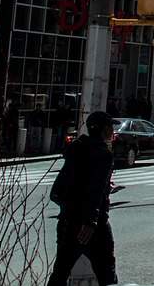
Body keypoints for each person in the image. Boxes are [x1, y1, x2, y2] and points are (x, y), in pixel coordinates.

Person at [47, 111, 117, 286]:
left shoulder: (75, 149)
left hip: (68, 221)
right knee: (107, 274)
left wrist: (70, 210)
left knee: (60, 273)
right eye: (110, 127)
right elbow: (97, 189)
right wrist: (91, 220)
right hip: (94, 226)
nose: (112, 131)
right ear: (104, 130)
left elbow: (57, 191)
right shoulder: (103, 154)